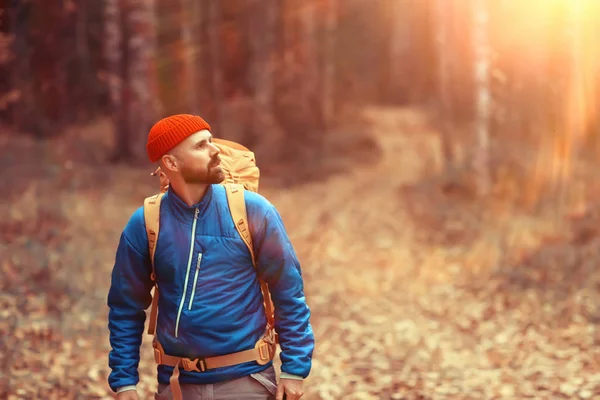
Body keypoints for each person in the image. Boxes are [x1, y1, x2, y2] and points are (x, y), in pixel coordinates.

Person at [107, 114, 315, 400]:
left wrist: (294, 369)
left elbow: (288, 291)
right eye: (201, 146)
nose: (215, 150)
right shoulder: (146, 222)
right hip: (176, 384)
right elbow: (125, 307)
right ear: (171, 163)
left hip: (247, 381)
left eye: (211, 141)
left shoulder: (252, 210)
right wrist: (124, 381)